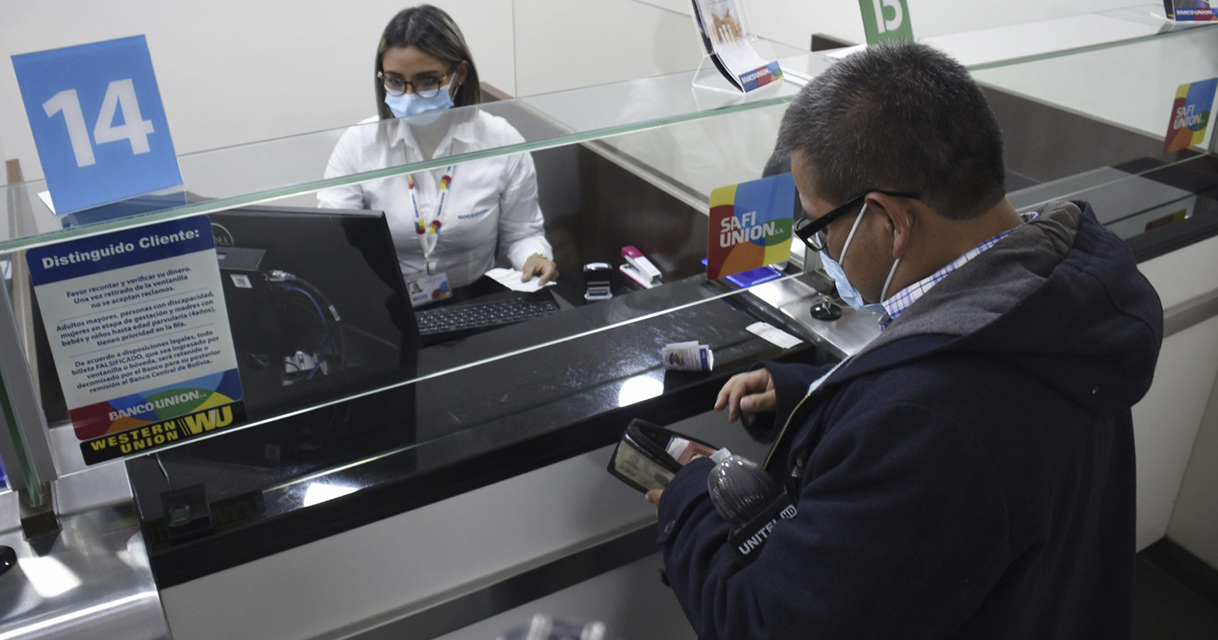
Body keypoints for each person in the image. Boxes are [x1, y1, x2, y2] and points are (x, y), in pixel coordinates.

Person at [647, 42, 1163, 639]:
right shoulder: (1063, 304)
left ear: (888, 222)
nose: (822, 251)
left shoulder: (930, 420)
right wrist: (812, 397)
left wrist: (689, 503)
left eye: (817, 227)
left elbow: (771, 624)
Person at [317, 5, 557, 293]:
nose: (409, 95)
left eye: (427, 81)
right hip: (388, 300)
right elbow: (337, 241)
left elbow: (523, 234)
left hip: (476, 295)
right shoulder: (359, 144)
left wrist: (535, 257)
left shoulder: (501, 141)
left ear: (460, 74)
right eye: (395, 81)